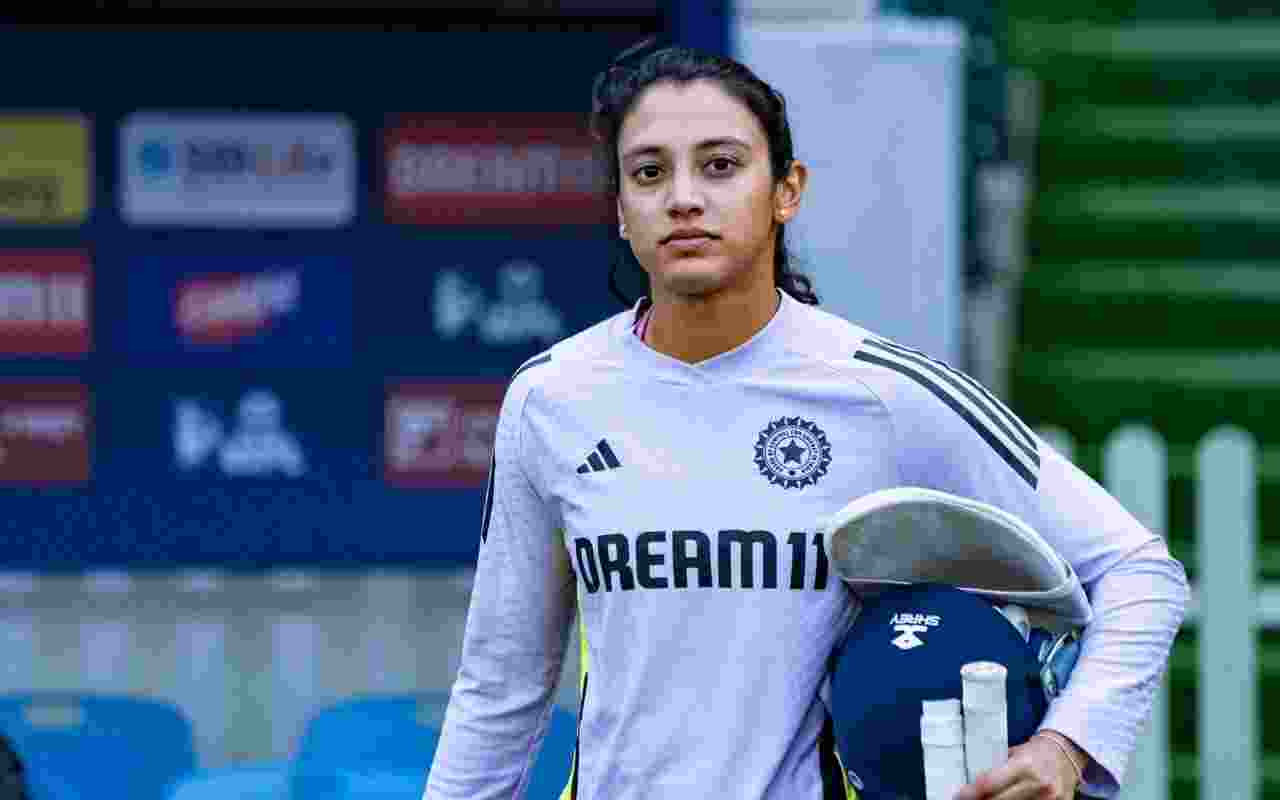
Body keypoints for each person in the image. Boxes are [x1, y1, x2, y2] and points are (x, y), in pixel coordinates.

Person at [422, 39, 1190, 800]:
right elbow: (500, 688)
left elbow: (1136, 572)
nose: (684, 197)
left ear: (786, 190)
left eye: (720, 166)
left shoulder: (885, 393)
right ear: (622, 211)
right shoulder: (553, 398)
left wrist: (1066, 744)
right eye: (649, 172)